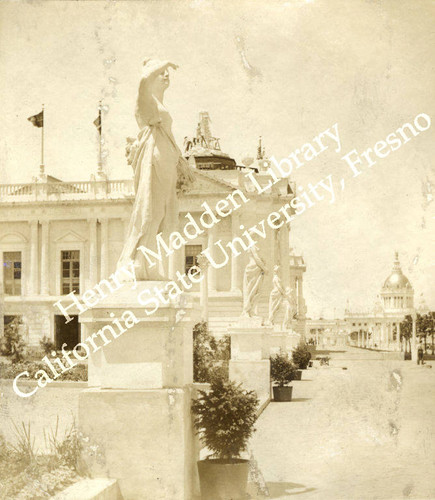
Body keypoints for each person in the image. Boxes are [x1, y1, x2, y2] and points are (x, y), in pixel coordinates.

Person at [117, 58, 194, 280]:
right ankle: (136, 263)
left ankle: (148, 264)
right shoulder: (146, 100)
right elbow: (142, 82)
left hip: (166, 162)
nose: (166, 75)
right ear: (151, 75)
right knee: (150, 212)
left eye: (167, 71)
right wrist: (159, 65)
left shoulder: (159, 103)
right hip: (154, 161)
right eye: (161, 72)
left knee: (162, 218)